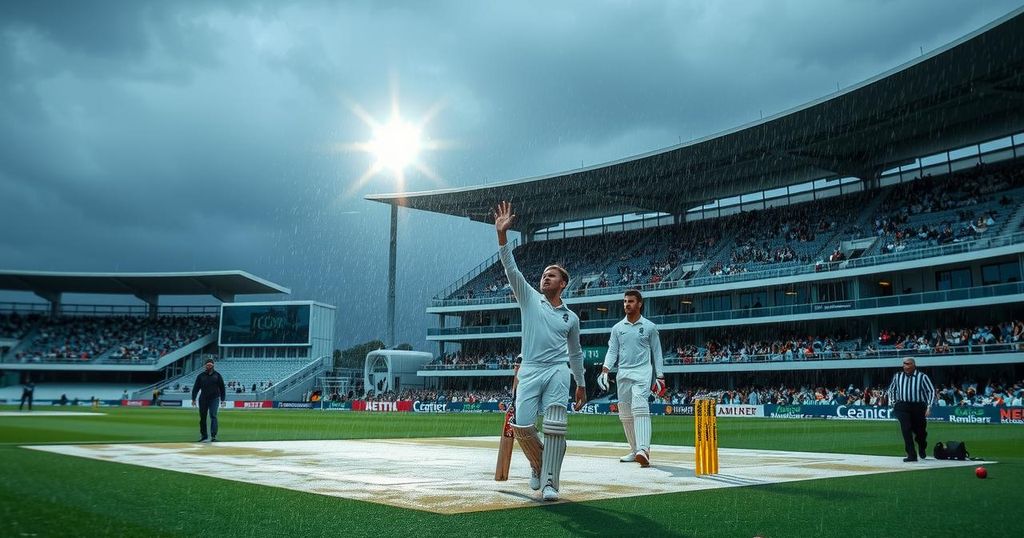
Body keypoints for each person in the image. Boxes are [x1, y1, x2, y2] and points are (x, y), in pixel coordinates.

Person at [494, 200, 586, 502]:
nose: (545, 277)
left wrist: (581, 384)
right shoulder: (530, 299)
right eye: (544, 274)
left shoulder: (571, 318)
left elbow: (575, 354)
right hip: (530, 369)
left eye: (552, 275)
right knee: (522, 426)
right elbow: (511, 268)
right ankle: (539, 464)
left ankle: (550, 483)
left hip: (558, 371)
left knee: (556, 426)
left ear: (563, 284)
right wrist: (502, 236)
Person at [598, 289, 665, 467]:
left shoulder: (649, 326)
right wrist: (605, 370)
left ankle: (644, 450)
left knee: (640, 404)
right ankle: (635, 451)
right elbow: (612, 351)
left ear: (640, 304)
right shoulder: (617, 328)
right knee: (625, 413)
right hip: (623, 373)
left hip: (643, 372)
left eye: (631, 301)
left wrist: (660, 376)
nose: (627, 304)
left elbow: (657, 352)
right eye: (625, 301)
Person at [886, 357, 936, 462]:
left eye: (908, 364)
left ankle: (922, 445)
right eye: (904, 364)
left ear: (913, 365)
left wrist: (929, 406)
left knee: (920, 431)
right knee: (906, 428)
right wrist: (893, 403)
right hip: (902, 406)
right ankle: (911, 454)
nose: (905, 366)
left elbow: (931, 391)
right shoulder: (898, 376)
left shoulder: (922, 377)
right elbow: (891, 390)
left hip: (918, 406)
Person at [191, 359, 226, 442]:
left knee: (213, 416)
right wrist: (193, 399)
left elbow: (222, 388)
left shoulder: (217, 375)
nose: (209, 366)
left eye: (210, 365)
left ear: (213, 365)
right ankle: (204, 436)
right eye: (207, 365)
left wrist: (223, 400)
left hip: (214, 398)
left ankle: (213, 436)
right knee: (202, 417)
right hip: (203, 399)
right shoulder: (200, 376)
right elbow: (196, 388)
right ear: (205, 366)